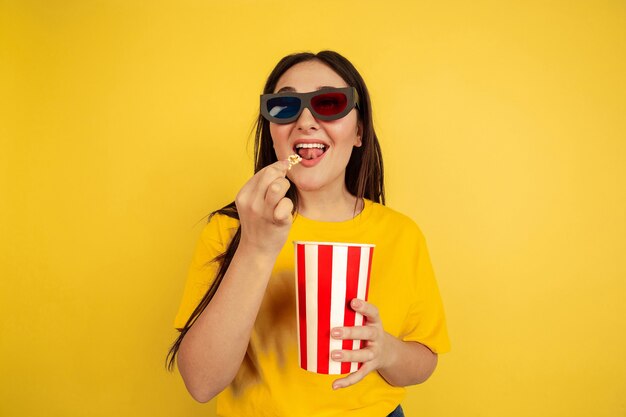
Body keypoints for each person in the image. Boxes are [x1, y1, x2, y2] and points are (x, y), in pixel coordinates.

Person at [167, 50, 450, 417]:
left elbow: (424, 362)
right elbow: (201, 383)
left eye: (329, 102)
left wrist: (386, 350)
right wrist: (256, 247)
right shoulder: (232, 228)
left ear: (359, 131)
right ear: (272, 132)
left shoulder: (401, 234)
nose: (305, 121)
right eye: (284, 106)